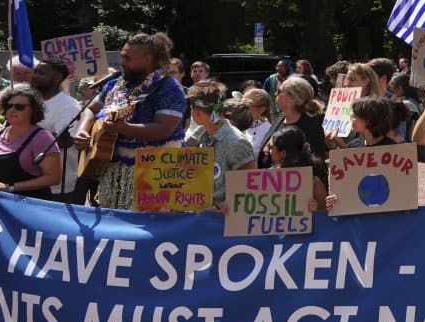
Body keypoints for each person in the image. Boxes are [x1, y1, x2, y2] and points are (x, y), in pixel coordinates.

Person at [73, 33, 187, 211]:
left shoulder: (169, 87)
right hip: (114, 171)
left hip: (154, 173)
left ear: (147, 59)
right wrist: (83, 129)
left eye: (127, 57)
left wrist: (124, 128)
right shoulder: (117, 84)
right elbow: (90, 109)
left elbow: (165, 129)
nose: (121, 61)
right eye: (122, 55)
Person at [183, 81, 257, 206]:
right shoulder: (202, 133)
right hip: (201, 213)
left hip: (223, 221)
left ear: (196, 111)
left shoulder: (237, 142)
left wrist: (217, 209)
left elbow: (248, 192)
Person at [0, 84, 62, 199]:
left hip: (28, 208)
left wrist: (9, 187)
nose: (12, 110)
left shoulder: (42, 137)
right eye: (9, 106)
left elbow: (54, 178)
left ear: (33, 110)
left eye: (19, 107)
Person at [31, 58, 82, 201]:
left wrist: (26, 136)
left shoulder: (68, 105)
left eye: (41, 73)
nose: (34, 76)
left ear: (58, 77)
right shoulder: (30, 101)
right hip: (28, 181)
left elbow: (64, 141)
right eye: (34, 72)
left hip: (56, 188)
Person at [260, 77, 326, 167]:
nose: (275, 94)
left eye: (279, 91)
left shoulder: (312, 128)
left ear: (292, 97)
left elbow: (317, 164)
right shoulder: (279, 119)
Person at [267, 125, 329, 212]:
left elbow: (324, 216)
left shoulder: (313, 183)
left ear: (283, 153)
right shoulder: (268, 178)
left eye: (271, 147)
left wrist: (314, 211)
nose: (268, 151)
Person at [241, 88, 274, 157]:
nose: (242, 108)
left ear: (262, 109)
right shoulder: (241, 126)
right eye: (242, 105)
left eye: (247, 105)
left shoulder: (269, 131)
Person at [388, 73, 422, 141]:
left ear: (400, 88)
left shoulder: (405, 104)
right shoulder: (415, 101)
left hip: (410, 146)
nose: (391, 91)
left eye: (391, 87)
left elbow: (401, 132)